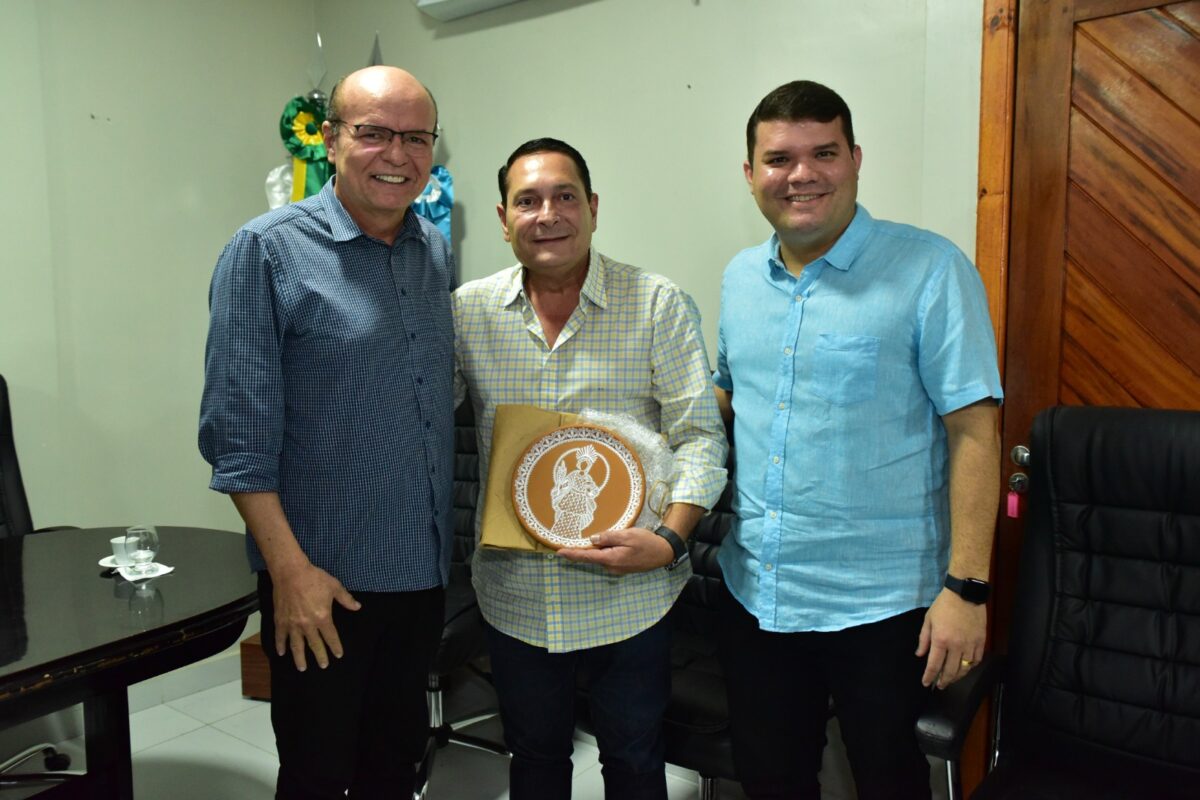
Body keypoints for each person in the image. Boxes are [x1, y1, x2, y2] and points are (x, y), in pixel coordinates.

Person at [712, 80, 1003, 800]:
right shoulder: (740, 278)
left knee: (889, 783)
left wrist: (967, 590)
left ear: (856, 160)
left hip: (885, 607)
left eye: (824, 153)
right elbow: (728, 398)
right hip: (758, 592)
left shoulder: (931, 270)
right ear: (749, 173)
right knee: (770, 780)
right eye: (779, 158)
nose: (801, 174)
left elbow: (975, 433)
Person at [198, 65, 454, 799]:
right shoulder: (265, 251)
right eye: (374, 133)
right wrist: (290, 575)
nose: (397, 154)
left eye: (416, 137)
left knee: (394, 768)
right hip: (322, 582)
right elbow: (238, 440)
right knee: (317, 775)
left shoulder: (432, 250)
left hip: (421, 571)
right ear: (333, 140)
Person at [453, 138, 728, 799]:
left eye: (565, 196)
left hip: (629, 593)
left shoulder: (655, 303)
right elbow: (421, 420)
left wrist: (670, 541)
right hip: (515, 592)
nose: (548, 214)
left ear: (593, 208)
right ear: (503, 219)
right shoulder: (466, 311)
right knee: (534, 760)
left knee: (634, 763)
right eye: (528, 201)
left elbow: (700, 437)